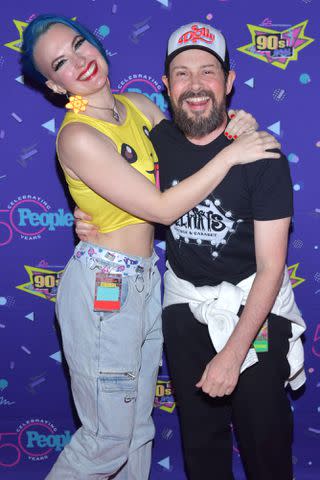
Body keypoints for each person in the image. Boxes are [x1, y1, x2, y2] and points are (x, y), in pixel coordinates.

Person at [22, 14, 281, 480]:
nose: (80, 62)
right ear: (54, 85)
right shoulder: (79, 135)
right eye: (61, 62)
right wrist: (232, 153)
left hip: (145, 282)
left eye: (81, 45)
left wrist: (240, 126)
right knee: (106, 441)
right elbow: (161, 209)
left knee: (138, 432)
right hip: (104, 284)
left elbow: (194, 140)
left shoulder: (138, 104)